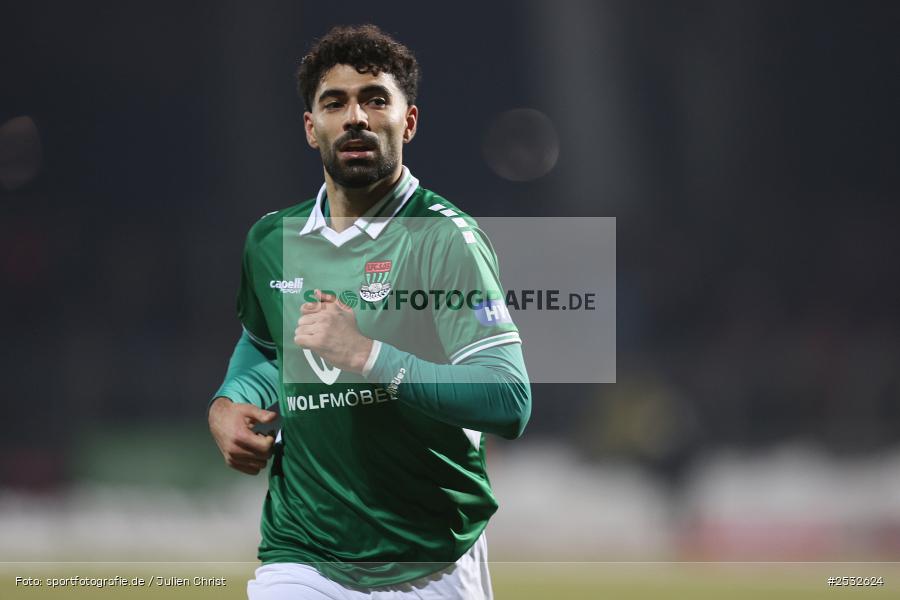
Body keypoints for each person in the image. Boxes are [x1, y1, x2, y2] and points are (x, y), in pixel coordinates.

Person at [208, 24, 531, 600]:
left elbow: (507, 398)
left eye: (375, 99)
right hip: (302, 551)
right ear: (312, 129)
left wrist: (367, 354)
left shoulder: (444, 239)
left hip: (428, 558)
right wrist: (229, 402)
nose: (355, 117)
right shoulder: (271, 240)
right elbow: (262, 346)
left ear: (408, 122)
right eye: (335, 103)